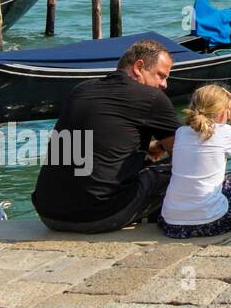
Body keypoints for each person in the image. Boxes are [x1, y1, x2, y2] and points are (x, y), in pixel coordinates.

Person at [32, 39, 180, 233]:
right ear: (139, 67)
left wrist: (148, 148)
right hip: (99, 216)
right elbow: (185, 154)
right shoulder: (152, 98)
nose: (164, 85)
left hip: (49, 213)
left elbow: (94, 145)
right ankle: (167, 226)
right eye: (160, 76)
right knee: (176, 170)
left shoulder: (80, 90)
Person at [158, 84, 231, 239]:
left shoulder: (180, 133)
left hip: (172, 225)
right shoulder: (224, 131)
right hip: (212, 224)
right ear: (223, 112)